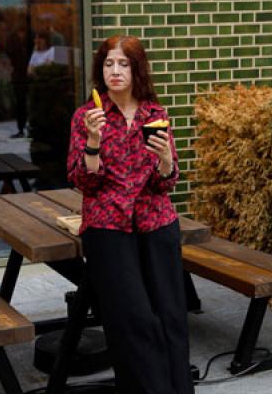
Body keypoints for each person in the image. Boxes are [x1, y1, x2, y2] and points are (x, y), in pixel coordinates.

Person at [67, 35, 194, 394]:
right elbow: (82, 182)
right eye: (109, 63)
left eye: (123, 63)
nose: (115, 71)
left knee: (170, 318)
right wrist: (93, 142)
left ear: (137, 69)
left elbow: (166, 181)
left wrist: (167, 160)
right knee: (133, 320)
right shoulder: (87, 116)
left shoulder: (155, 114)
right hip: (108, 227)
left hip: (157, 224)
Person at [6, 24, 30, 138]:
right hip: (19, 76)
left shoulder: (29, 41)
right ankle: (21, 128)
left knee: (25, 103)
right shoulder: (14, 42)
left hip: (25, 76)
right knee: (20, 103)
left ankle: (25, 128)